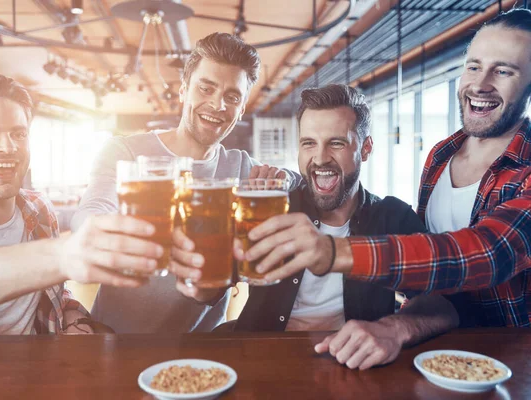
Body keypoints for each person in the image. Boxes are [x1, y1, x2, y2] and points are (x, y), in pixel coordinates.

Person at [234, 8, 531, 329]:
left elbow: (488, 254)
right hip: (445, 351)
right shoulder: (439, 157)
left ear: (365, 149)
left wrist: (334, 253)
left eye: (503, 71)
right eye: (474, 66)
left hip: (509, 350)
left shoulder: (392, 217)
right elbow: (429, 276)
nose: (481, 83)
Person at [187, 84, 458, 370]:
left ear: (365, 148)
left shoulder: (392, 217)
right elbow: (205, 293)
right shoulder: (271, 208)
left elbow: (444, 304)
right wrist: (218, 237)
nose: (319, 158)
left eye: (336, 143)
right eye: (309, 143)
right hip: (260, 363)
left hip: (352, 369)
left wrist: (395, 328)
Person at [71, 32, 300, 334]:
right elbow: (92, 209)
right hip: (116, 340)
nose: (218, 104)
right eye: (206, 88)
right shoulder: (124, 152)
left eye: (232, 97)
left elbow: (300, 182)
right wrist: (105, 231)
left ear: (242, 107)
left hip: (201, 350)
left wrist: (284, 177)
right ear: (183, 90)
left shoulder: (241, 167)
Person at [0, 73, 163, 335]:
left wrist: (76, 318)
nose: (7, 147)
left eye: (18, 134)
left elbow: (57, 294)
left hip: (40, 370)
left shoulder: (38, 208)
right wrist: (63, 255)